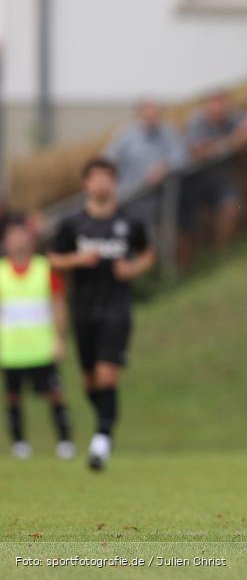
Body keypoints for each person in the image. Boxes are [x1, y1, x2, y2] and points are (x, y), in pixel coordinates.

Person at [49, 158, 156, 471]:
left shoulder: (130, 222)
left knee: (108, 373)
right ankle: (105, 422)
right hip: (83, 309)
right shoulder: (72, 224)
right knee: (90, 381)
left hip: (117, 308)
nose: (101, 184)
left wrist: (132, 268)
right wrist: (78, 260)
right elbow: (54, 259)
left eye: (107, 178)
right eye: (95, 178)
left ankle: (101, 439)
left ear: (114, 183)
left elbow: (147, 253)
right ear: (86, 184)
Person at [1, 214, 74, 460]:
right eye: (13, 236)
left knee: (54, 395)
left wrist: (59, 338)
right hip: (10, 350)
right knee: (13, 398)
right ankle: (19, 443)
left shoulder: (45, 269)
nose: (18, 240)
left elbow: (58, 303)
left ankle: (65, 441)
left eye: (23, 234)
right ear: (5, 241)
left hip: (42, 348)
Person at [178, 91, 247, 269]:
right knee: (186, 225)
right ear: (206, 106)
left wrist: (245, 132)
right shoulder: (196, 122)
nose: (219, 108)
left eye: (222, 103)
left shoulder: (230, 117)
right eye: (214, 103)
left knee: (231, 207)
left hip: (218, 179)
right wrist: (233, 140)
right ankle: (183, 271)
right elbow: (199, 150)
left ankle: (221, 254)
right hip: (191, 182)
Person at [104, 99, 188, 230]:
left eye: (155, 114)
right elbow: (108, 160)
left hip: (160, 196)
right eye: (147, 113)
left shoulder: (169, 132)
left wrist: (165, 165)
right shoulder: (125, 134)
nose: (151, 117)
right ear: (139, 114)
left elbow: (182, 157)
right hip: (128, 195)